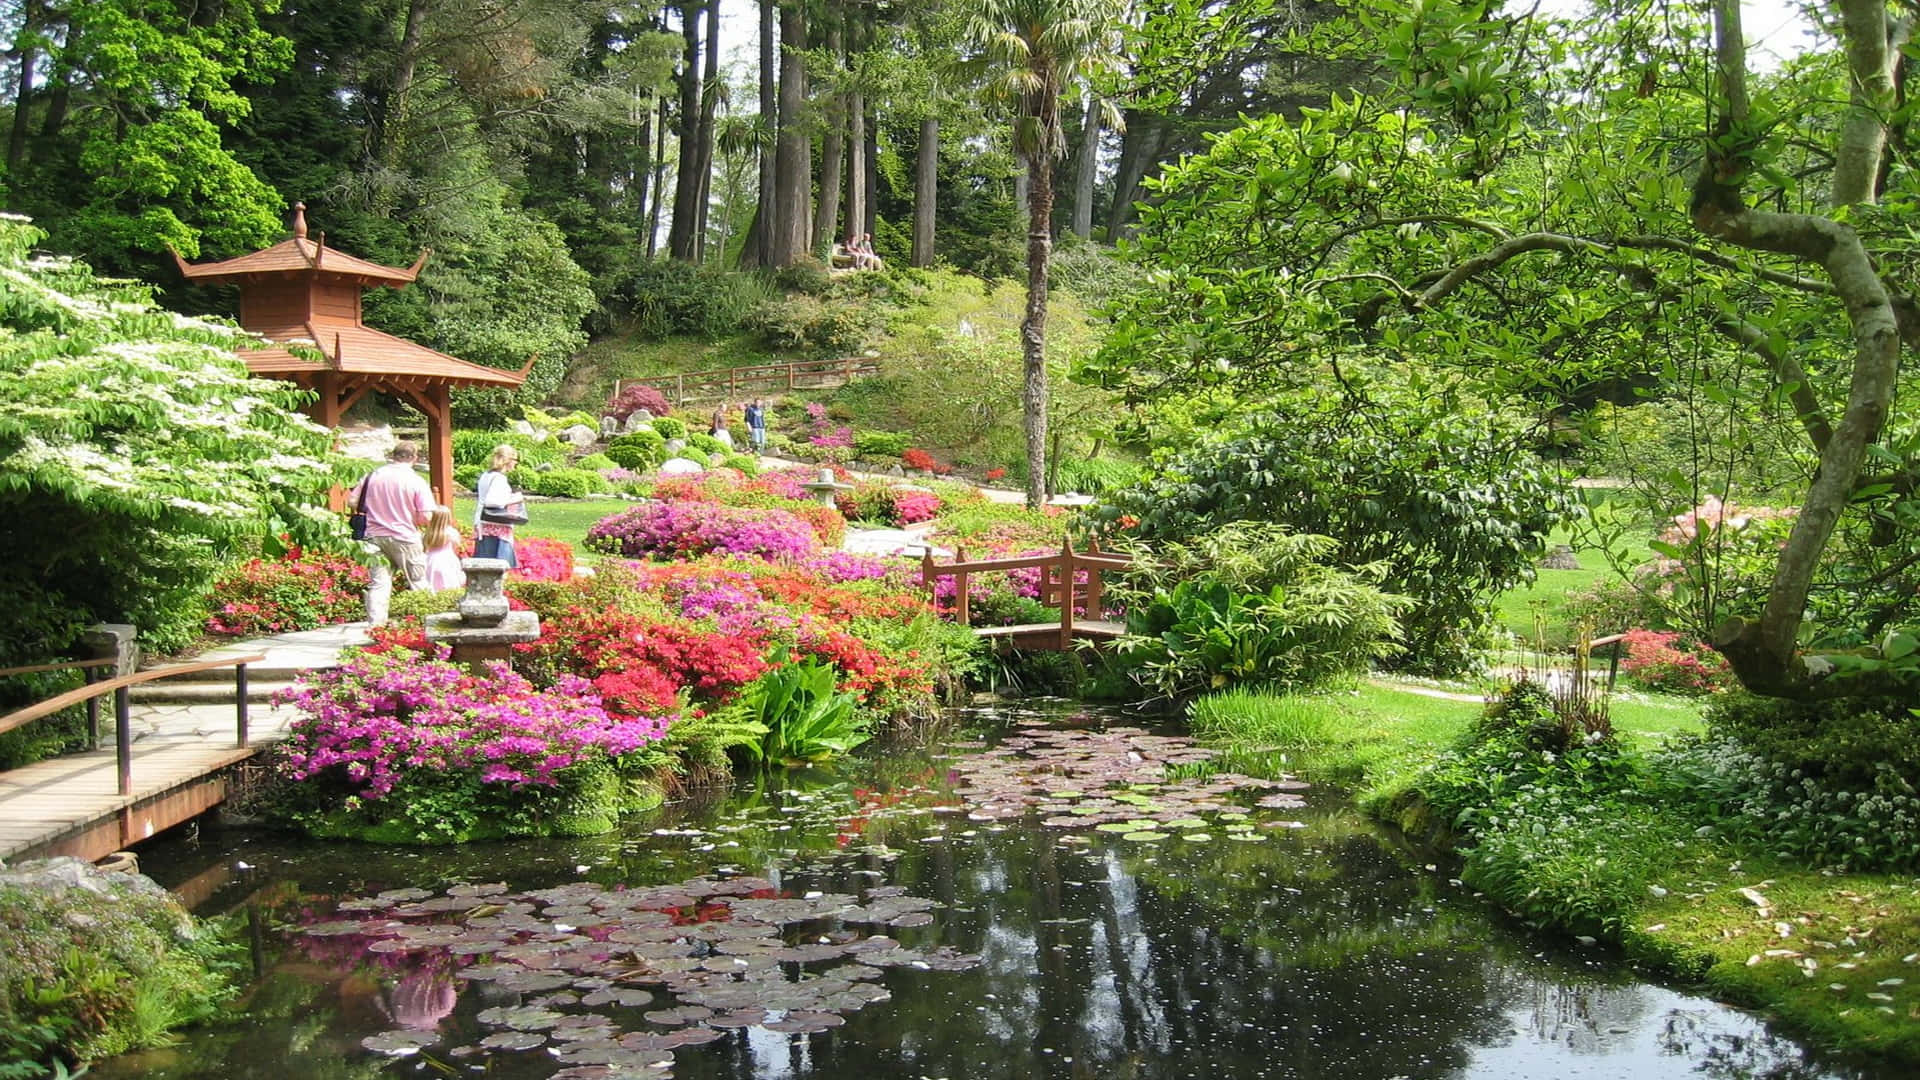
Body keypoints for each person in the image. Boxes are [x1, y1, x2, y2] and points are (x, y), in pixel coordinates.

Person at [351, 441, 435, 625]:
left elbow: (353, 501)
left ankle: (376, 627)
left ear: (393, 455)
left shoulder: (371, 476)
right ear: (414, 457)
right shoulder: (415, 480)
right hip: (404, 537)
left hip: (373, 536)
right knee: (418, 581)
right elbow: (426, 517)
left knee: (378, 584)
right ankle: (425, 624)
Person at [473, 444, 524, 568]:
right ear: (507, 460)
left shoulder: (486, 475)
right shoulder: (499, 479)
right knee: (498, 565)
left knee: (484, 562)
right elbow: (494, 501)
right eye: (514, 460)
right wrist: (515, 499)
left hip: (483, 523)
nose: (515, 464)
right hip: (496, 526)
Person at [420, 505, 466, 593]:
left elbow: (425, 547)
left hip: (430, 560)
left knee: (432, 583)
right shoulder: (451, 532)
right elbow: (456, 546)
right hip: (447, 560)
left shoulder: (428, 532)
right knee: (449, 583)